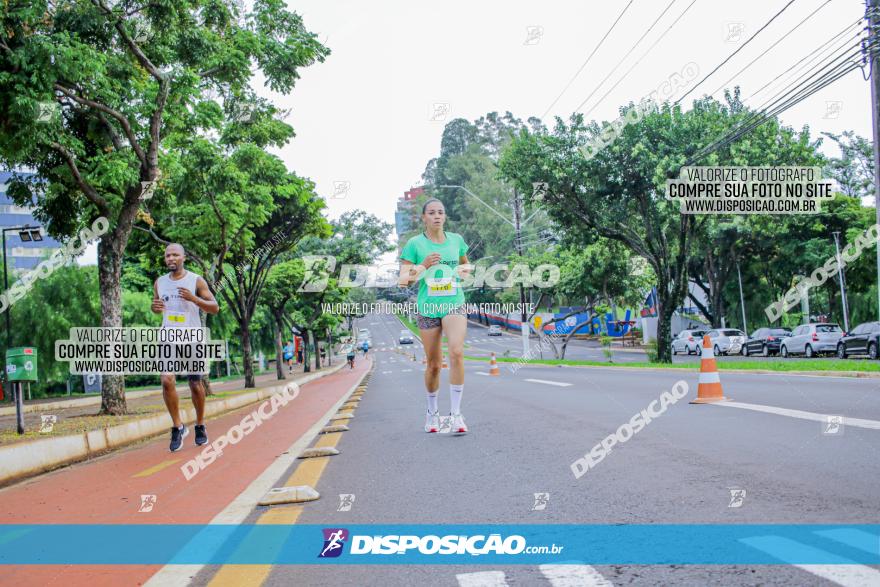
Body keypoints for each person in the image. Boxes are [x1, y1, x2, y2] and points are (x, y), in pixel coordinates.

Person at [398, 198, 472, 434]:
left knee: (457, 353)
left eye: (441, 212)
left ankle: (456, 415)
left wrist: (463, 272)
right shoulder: (414, 244)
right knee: (433, 365)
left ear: (445, 216)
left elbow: (467, 268)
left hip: (454, 303)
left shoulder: (456, 241)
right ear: (424, 218)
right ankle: (432, 414)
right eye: (432, 213)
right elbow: (403, 281)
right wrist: (423, 264)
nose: (437, 216)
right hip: (428, 307)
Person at [151, 243, 219, 452]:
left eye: (175, 255)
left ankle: (199, 424)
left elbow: (214, 307)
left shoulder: (195, 280)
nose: (170, 258)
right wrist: (154, 307)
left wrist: (193, 299)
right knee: (166, 379)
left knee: (195, 384)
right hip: (168, 336)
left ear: (183, 257)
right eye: (167, 256)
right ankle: (177, 426)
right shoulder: (159, 282)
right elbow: (156, 307)